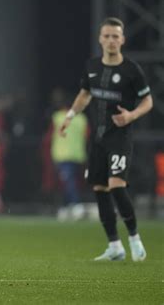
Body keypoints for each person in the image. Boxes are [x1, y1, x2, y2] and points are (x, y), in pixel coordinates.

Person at [60, 17, 153, 261]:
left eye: (116, 36)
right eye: (107, 36)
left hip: (120, 138)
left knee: (116, 186)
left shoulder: (132, 70)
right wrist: (70, 115)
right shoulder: (92, 66)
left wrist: (132, 115)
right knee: (100, 188)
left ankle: (134, 239)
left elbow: (148, 101)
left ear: (122, 40)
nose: (111, 40)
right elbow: (84, 94)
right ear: (100, 39)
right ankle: (114, 246)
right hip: (98, 139)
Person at [49, 88, 88, 221]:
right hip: (78, 155)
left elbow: (50, 136)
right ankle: (66, 207)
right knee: (69, 182)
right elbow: (86, 136)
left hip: (62, 155)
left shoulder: (58, 117)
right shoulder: (82, 119)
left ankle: (76, 205)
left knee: (68, 182)